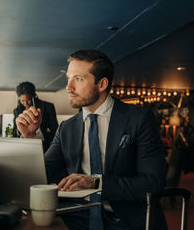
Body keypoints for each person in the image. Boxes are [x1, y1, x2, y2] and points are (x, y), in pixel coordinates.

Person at [16, 50, 167, 230]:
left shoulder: (138, 119)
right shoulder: (67, 128)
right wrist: (29, 137)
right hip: (77, 217)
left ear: (102, 84)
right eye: (69, 78)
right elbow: (42, 174)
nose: (68, 87)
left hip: (125, 220)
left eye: (78, 79)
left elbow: (153, 182)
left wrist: (96, 182)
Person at [13, 81, 58, 152]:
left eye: (28, 100)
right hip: (24, 145)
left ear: (33, 96)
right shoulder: (17, 110)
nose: (25, 103)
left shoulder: (48, 107)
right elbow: (15, 131)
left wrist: (51, 147)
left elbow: (55, 129)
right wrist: (21, 131)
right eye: (22, 101)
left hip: (44, 145)